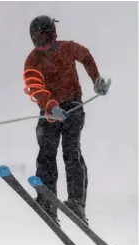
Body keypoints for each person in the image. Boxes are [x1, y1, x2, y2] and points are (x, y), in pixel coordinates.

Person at [23, 16, 110, 226]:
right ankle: (46, 200)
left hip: (73, 107)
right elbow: (33, 86)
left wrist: (96, 79)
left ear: (52, 33)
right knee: (46, 152)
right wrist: (50, 105)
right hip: (49, 111)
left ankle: (76, 202)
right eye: (35, 37)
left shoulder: (68, 48)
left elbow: (86, 56)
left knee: (71, 152)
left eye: (42, 35)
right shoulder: (33, 60)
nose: (39, 41)